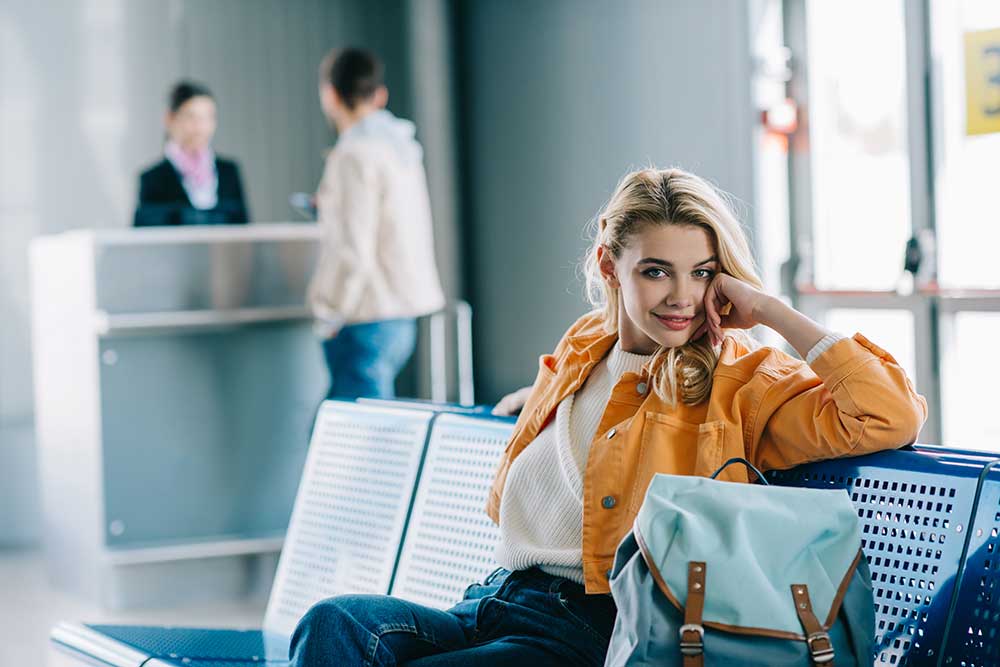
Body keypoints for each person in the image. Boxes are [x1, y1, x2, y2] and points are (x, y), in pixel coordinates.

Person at [289, 167, 927, 666]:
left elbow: (887, 412)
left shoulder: (738, 383)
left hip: (595, 633)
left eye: (702, 274)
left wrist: (770, 312)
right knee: (335, 625)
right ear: (608, 266)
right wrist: (528, 403)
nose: (681, 296)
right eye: (656, 272)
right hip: (496, 601)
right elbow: (586, 426)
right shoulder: (582, 349)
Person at [307, 48, 445, 399]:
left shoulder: (354, 154)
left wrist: (330, 313)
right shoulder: (399, 148)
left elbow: (353, 249)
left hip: (364, 316)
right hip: (399, 316)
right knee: (366, 435)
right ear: (379, 95)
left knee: (349, 443)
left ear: (330, 95)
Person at [134, 81, 250, 227]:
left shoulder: (229, 171)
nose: (201, 127)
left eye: (208, 117)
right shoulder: (153, 178)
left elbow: (243, 232)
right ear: (170, 119)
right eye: (191, 117)